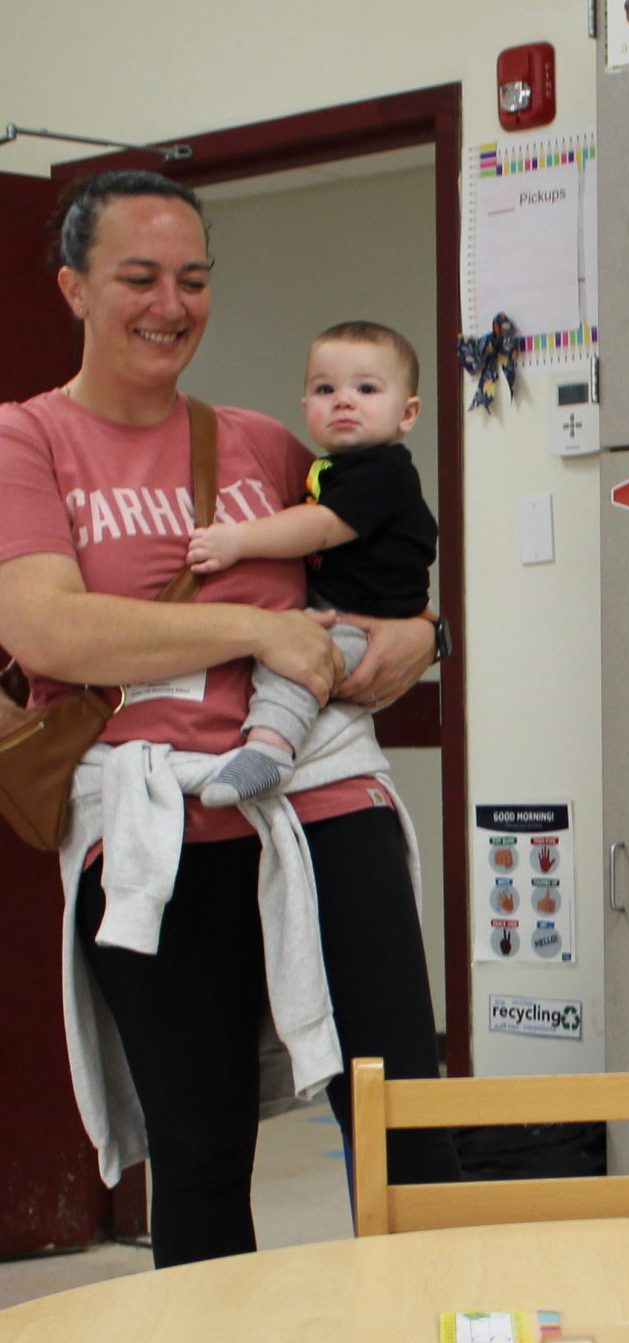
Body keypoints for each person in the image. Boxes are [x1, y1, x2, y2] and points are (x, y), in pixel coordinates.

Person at [0, 169, 458, 1267]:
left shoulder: (258, 440)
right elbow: (50, 633)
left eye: (194, 279)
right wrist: (251, 635)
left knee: (403, 1119)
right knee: (200, 1149)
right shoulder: (29, 440)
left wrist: (430, 638)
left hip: (322, 798)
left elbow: (378, 573)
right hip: (157, 820)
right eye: (140, 277)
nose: (171, 305)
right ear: (73, 286)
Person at [185, 320, 437, 807]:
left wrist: (238, 541)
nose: (343, 399)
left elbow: (320, 527)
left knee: (298, 661)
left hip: (367, 622)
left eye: (366, 388)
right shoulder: (332, 467)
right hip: (342, 607)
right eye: (325, 388)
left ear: (407, 414)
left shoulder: (383, 472)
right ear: (305, 407)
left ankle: (270, 750)